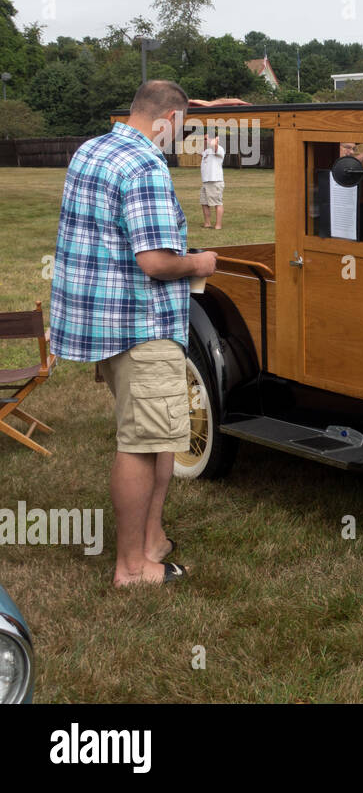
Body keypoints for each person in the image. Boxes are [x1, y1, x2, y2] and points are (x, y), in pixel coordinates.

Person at [50, 80, 218, 586]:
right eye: (180, 127)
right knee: (142, 444)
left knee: (159, 436)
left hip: (106, 323)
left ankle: (152, 541)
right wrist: (202, 260)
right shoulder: (144, 164)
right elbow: (156, 262)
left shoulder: (93, 148)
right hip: (141, 326)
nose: (178, 137)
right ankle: (132, 567)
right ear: (168, 118)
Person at [199, 131, 225, 229]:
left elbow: (215, 146)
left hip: (215, 181)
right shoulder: (206, 151)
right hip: (205, 181)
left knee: (217, 203)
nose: (206, 140)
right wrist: (205, 142)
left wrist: (214, 141)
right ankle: (207, 223)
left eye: (207, 138)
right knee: (204, 203)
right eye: (204, 138)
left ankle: (218, 225)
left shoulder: (219, 149)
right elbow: (199, 152)